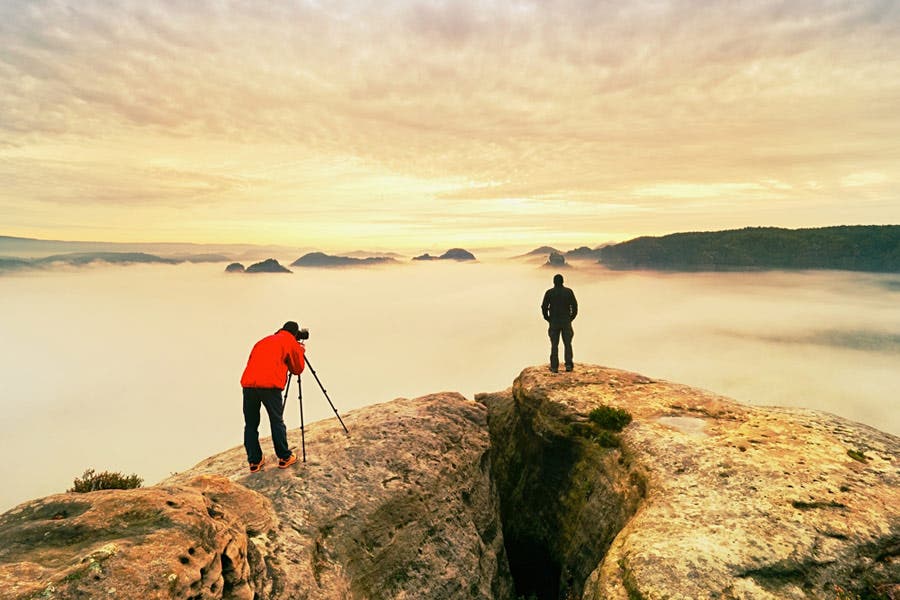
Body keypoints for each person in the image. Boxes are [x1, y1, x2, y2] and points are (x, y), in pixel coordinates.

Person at [240, 321, 305, 472]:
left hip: (249, 385)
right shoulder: (290, 342)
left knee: (250, 424)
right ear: (295, 334)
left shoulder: (263, 341)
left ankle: (254, 461)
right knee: (276, 421)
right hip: (270, 387)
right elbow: (297, 369)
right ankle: (284, 457)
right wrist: (300, 351)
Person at [541, 273, 578, 373]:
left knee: (554, 345)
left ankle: (554, 367)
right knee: (567, 344)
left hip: (554, 322)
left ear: (554, 282)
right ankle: (569, 365)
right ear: (562, 281)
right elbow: (575, 307)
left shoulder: (549, 292)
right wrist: (570, 318)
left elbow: (544, 307)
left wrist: (548, 318)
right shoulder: (568, 292)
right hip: (566, 321)